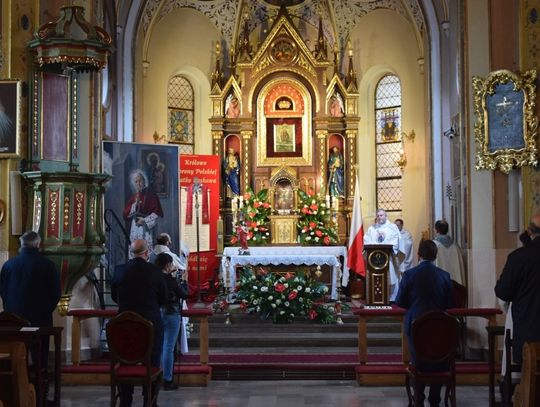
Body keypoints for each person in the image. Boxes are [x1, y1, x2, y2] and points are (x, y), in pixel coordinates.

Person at [396, 239, 455, 407]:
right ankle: (435, 399)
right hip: (440, 326)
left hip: (415, 325)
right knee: (437, 360)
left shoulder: (409, 275)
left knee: (418, 362)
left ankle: (419, 399)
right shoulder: (444, 276)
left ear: (418, 255)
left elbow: (400, 301)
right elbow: (450, 304)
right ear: (435, 255)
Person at [111, 239, 167, 407]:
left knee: (126, 359)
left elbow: (115, 296)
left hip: (124, 326)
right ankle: (149, 399)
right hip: (151, 325)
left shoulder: (119, 270)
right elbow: (163, 298)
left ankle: (126, 400)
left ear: (131, 252)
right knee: (153, 359)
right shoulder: (155, 271)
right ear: (147, 253)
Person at [0, 231, 61, 369]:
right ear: (38, 244)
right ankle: (41, 382)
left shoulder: (8, 265)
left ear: (21, 245)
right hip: (40, 318)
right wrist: (45, 310)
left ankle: (17, 381)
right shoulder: (48, 265)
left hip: (14, 319)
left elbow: (3, 291)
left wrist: (10, 309)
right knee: (40, 353)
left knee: (17, 352)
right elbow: (56, 293)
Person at [495, 213, 540, 368]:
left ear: (530, 232)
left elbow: (502, 292)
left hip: (529, 333)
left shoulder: (518, 257)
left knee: (530, 382)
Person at [149, 233, 190, 354]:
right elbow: (182, 268)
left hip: (155, 306)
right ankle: (167, 370)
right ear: (167, 242)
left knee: (157, 341)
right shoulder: (169, 256)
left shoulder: (151, 254)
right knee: (168, 345)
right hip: (170, 306)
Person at [156, 253, 188, 391]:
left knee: (158, 346)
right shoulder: (170, 280)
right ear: (168, 265)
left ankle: (156, 375)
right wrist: (185, 281)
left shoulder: (154, 278)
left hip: (157, 313)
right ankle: (167, 379)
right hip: (171, 313)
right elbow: (184, 294)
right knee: (168, 347)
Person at [364, 209, 402, 302]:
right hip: (374, 260)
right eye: (378, 216)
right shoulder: (371, 228)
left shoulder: (392, 227)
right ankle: (376, 298)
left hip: (389, 258)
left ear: (386, 216)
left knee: (391, 277)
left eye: (381, 215)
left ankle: (392, 298)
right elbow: (367, 240)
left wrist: (389, 247)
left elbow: (397, 240)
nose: (379, 217)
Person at [123, 169, 164, 250]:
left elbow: (157, 213)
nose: (138, 184)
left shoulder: (151, 195)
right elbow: (125, 214)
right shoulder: (134, 197)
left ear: (144, 181)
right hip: (135, 227)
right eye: (136, 182)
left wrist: (145, 220)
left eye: (140, 181)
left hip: (146, 228)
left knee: (146, 248)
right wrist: (135, 205)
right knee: (135, 249)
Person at [433, 220, 466, 286]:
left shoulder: (434, 245)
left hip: (440, 284)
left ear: (436, 230)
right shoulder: (456, 246)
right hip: (455, 286)